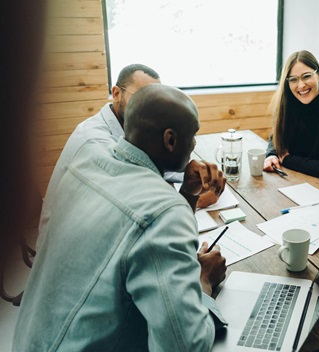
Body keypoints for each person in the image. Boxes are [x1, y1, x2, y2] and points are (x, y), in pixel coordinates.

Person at [14, 84, 228, 351]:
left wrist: (188, 193)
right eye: (193, 136)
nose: (195, 145)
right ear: (170, 140)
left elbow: (144, 238)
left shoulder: (87, 161)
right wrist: (202, 282)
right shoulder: (165, 213)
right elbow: (187, 345)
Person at [37, 63, 224, 250]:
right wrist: (195, 200)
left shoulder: (129, 131)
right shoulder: (100, 145)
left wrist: (190, 176)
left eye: (154, 98)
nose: (150, 107)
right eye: (141, 96)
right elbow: (153, 222)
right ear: (116, 93)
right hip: (63, 245)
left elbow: (154, 168)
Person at [264, 50, 319, 194]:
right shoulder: (286, 105)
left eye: (306, 76)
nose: (301, 85)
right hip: (295, 185)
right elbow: (275, 137)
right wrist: (271, 154)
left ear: (318, 75)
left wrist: (288, 160)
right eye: (293, 79)